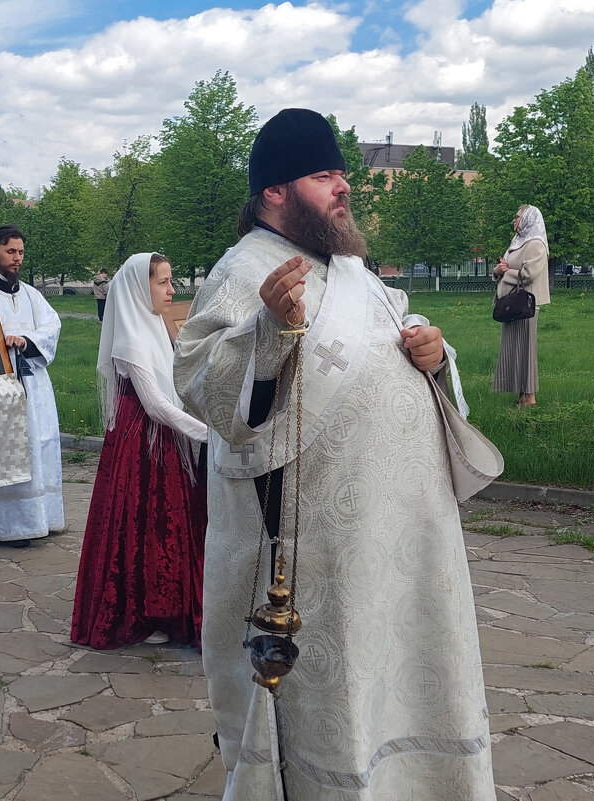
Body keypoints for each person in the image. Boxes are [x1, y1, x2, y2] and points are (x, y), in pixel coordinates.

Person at [173, 108, 494, 800]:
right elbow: (202, 385)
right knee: (333, 703)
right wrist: (266, 330)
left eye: (342, 172)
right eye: (324, 174)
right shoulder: (242, 274)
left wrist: (436, 359)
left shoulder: (353, 273)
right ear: (274, 193)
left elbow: (400, 348)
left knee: (402, 676)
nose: (343, 186)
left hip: (396, 543)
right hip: (317, 554)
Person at [71, 253, 207, 649]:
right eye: (163, 282)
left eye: (170, 280)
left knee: (170, 524)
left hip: (165, 439)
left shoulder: (156, 327)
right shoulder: (129, 337)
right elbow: (156, 405)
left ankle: (168, 608)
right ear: (137, 287)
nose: (171, 289)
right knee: (145, 523)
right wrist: (209, 434)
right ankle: (144, 612)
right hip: (141, 443)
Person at [0, 224, 63, 545]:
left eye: (21, 252)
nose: (17, 258)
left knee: (40, 444)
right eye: (11, 251)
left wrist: (26, 340)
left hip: (34, 386)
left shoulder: (33, 296)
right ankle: (6, 525)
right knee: (5, 449)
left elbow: (52, 327)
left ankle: (41, 516)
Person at [492, 204, 550, 408]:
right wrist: (499, 270)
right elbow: (506, 265)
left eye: (517, 217)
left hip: (525, 305)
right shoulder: (517, 241)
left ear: (528, 219)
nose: (514, 220)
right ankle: (521, 395)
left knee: (525, 350)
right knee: (514, 350)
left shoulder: (536, 244)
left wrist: (507, 271)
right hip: (511, 305)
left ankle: (530, 398)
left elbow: (529, 274)